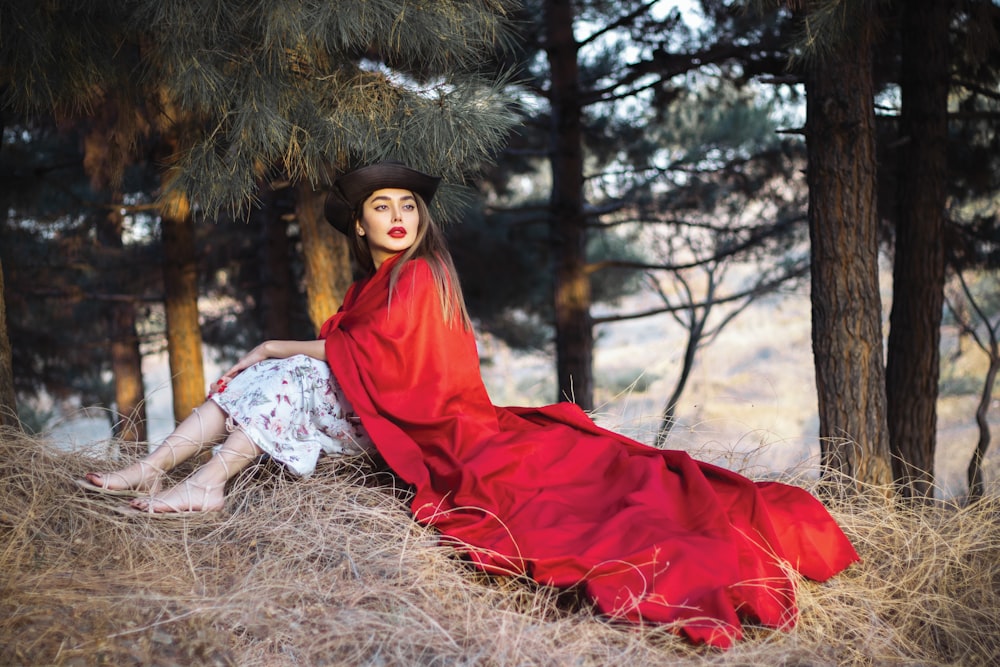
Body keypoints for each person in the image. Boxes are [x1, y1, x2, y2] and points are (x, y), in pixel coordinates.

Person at [79, 161, 859, 648]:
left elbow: (389, 362)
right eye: (381, 206)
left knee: (280, 373)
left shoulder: (420, 277)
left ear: (419, 223)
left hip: (442, 431)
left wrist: (284, 346)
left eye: (407, 207)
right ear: (361, 223)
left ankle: (202, 482)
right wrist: (280, 352)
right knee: (262, 376)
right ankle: (153, 469)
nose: (396, 216)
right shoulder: (371, 282)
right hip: (381, 416)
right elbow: (362, 353)